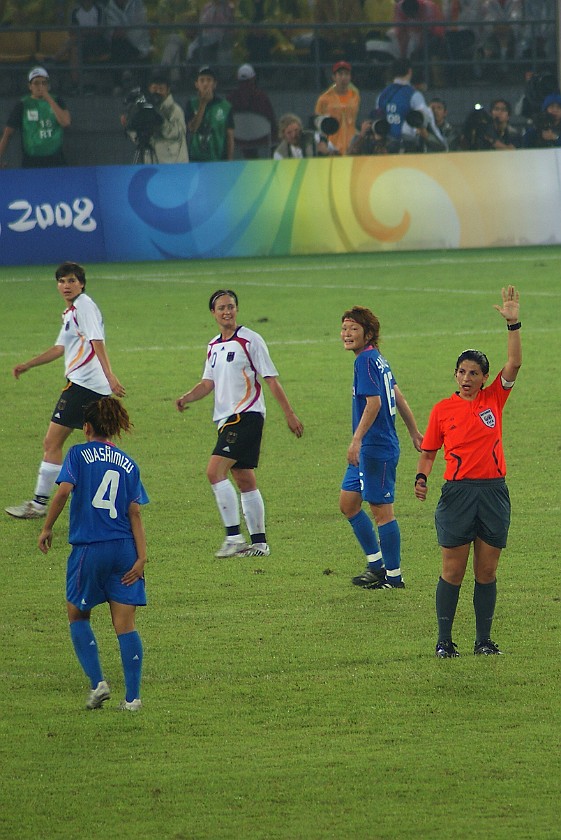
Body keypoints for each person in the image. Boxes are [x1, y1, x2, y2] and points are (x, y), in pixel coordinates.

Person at [414, 286, 522, 658]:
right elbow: (428, 452)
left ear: (484, 377)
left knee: (487, 571)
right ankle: (444, 641)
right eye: (461, 371)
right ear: (455, 375)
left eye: (474, 372)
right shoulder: (442, 410)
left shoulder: (495, 397)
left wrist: (513, 324)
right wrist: (421, 477)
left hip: (493, 492)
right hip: (458, 494)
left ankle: (484, 641)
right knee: (452, 569)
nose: (466, 378)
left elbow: (515, 365)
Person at [38, 396, 148, 711]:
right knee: (125, 624)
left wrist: (46, 528)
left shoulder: (77, 454)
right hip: (125, 550)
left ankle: (99, 682)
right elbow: (135, 512)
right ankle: (133, 699)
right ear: (114, 427)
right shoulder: (129, 462)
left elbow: (62, 491)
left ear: (86, 427)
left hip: (90, 548)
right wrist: (142, 558)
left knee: (77, 613)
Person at [175, 289, 303, 558]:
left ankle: (233, 537)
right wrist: (188, 396)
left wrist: (289, 414)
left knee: (214, 471)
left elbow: (270, 379)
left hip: (246, 416)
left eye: (231, 307)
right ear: (213, 313)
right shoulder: (213, 346)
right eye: (221, 308)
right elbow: (208, 383)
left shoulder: (250, 340)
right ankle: (259, 543)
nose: (227, 311)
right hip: (226, 420)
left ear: (237, 309)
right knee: (244, 479)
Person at [5, 262, 125, 520]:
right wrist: (28, 365)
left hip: (83, 385)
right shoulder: (72, 312)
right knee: (96, 444)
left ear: (81, 283)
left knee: (52, 442)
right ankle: (110, 499)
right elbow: (59, 348)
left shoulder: (84, 306)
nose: (66, 286)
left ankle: (38, 504)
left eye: (71, 281)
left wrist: (110, 374)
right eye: (61, 281)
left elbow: (97, 341)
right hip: (91, 385)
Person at [340, 306, 423, 590]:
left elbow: (375, 403)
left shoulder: (365, 361)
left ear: (369, 334)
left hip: (375, 449)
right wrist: (414, 432)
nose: (347, 334)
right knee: (348, 503)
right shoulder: (377, 359)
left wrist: (356, 439)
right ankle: (376, 565)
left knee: (382, 512)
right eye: (344, 328)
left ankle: (394, 577)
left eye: (353, 329)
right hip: (369, 449)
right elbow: (397, 396)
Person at [0, 66, 71, 169]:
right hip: (31, 161)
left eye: (44, 83)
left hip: (56, 159)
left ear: (48, 86)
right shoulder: (23, 104)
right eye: (36, 83)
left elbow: (66, 122)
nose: (40, 86)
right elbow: (7, 133)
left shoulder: (57, 101)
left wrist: (48, 98)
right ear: (30, 86)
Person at [376, 58, 445, 153]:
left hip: (386, 148)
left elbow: (378, 121)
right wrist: (442, 143)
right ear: (410, 71)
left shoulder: (382, 95)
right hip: (408, 148)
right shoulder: (413, 95)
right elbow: (428, 121)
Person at [122, 67, 188, 163]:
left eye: (161, 89)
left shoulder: (175, 110)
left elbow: (177, 134)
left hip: (173, 164)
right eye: (154, 88)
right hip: (151, 163)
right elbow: (139, 138)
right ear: (149, 89)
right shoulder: (144, 108)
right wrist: (129, 126)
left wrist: (161, 121)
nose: (157, 92)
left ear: (168, 90)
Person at [184, 65, 234, 161]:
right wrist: (203, 103)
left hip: (219, 159)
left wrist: (229, 161)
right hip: (196, 160)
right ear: (196, 84)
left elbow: (230, 137)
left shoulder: (225, 106)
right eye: (202, 80)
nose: (205, 84)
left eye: (209, 80)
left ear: (214, 84)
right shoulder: (191, 104)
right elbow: (192, 128)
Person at [227, 63, 277, 159]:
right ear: (253, 79)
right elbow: (272, 122)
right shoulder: (262, 98)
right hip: (261, 141)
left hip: (238, 141)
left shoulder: (230, 98)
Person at [103, 0, 153, 93]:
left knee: (123, 47)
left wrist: (126, 31)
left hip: (139, 43)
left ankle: (123, 80)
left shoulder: (138, 3)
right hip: (119, 45)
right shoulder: (109, 8)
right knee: (118, 44)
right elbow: (114, 33)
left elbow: (140, 25)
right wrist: (129, 30)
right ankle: (121, 81)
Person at [314, 60, 360, 156]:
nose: (343, 77)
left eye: (347, 74)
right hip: (332, 146)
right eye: (340, 74)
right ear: (334, 77)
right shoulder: (324, 98)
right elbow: (317, 123)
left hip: (351, 146)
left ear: (350, 77)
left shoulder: (355, 96)